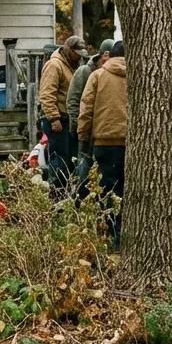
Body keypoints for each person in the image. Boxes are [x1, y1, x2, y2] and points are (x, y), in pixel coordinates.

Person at [78, 40, 126, 246]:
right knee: (128, 191)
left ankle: (110, 235)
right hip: (131, 144)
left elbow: (86, 110)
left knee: (107, 189)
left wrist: (83, 140)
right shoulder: (142, 78)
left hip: (104, 142)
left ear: (110, 56)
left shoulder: (97, 76)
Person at [37, 34, 88, 191]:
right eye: (76, 54)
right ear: (69, 50)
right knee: (59, 159)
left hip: (67, 119)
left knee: (69, 159)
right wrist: (53, 118)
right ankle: (57, 192)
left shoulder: (69, 66)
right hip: (58, 120)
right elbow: (46, 94)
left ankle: (66, 191)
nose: (79, 58)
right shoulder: (54, 65)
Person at [70, 39, 113, 192]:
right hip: (84, 128)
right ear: (104, 55)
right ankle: (80, 197)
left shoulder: (107, 75)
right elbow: (74, 101)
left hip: (99, 130)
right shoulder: (84, 72)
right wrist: (77, 126)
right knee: (83, 167)